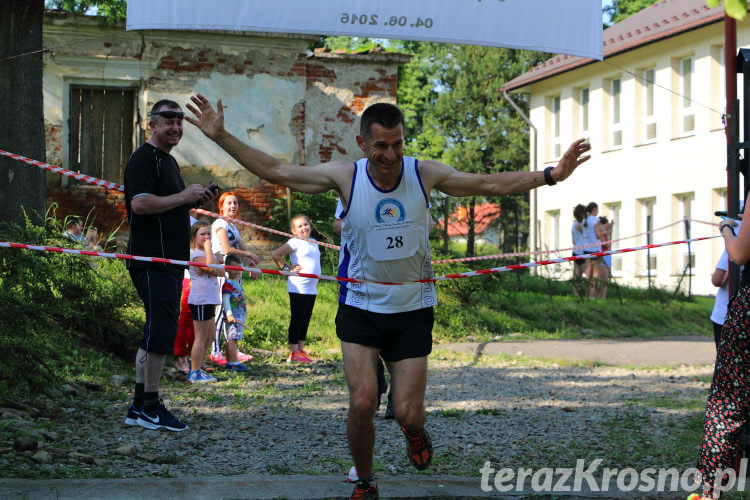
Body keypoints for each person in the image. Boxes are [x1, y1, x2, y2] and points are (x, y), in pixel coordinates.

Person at [186, 95, 590, 499]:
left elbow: (487, 183)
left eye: (397, 144)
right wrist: (221, 136)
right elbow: (277, 169)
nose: (390, 154)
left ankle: (413, 431)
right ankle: (364, 481)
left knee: (408, 413)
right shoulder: (346, 177)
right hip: (360, 307)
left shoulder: (423, 174)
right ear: (363, 145)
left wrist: (551, 174)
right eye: (381, 145)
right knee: (362, 402)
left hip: (411, 309)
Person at [123, 99, 217, 431]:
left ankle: (138, 407)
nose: (176, 127)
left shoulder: (168, 161)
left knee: (154, 330)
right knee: (161, 332)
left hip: (169, 262)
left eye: (180, 121)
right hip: (153, 261)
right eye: (169, 121)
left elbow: (168, 207)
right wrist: (183, 197)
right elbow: (142, 205)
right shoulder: (144, 159)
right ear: (152, 124)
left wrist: (194, 198)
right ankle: (150, 406)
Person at [694, 205, 750, 499]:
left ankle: (709, 490)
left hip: (740, 316)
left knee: (727, 405)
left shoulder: (739, 227)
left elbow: (737, 256)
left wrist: (727, 229)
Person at [210, 191, 260, 366]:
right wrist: (250, 254)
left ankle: (233, 350)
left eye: (235, 203)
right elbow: (226, 249)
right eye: (229, 203)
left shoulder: (234, 226)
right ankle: (215, 351)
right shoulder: (219, 223)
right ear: (221, 206)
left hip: (235, 274)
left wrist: (251, 263)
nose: (232, 206)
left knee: (235, 309)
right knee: (221, 311)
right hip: (222, 271)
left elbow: (242, 248)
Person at [271, 214, 321, 363]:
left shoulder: (314, 242)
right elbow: (276, 255)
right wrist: (288, 268)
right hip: (298, 286)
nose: (304, 228)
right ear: (294, 231)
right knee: (297, 318)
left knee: (305, 319)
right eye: (300, 226)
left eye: (306, 224)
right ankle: (293, 352)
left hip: (312, 288)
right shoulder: (294, 242)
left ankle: (301, 350)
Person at [187, 221, 224, 383]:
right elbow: (211, 267)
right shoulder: (194, 253)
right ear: (194, 236)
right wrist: (211, 254)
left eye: (209, 234)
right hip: (200, 299)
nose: (207, 237)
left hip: (210, 298)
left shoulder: (206, 253)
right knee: (201, 337)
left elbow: (221, 271)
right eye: (203, 234)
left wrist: (213, 263)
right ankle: (194, 372)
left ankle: (198, 364)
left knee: (211, 335)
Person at [709, 211, 743, 350]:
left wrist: (726, 229)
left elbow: (717, 279)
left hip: (727, 314)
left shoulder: (737, 240)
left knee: (728, 365)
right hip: (738, 314)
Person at [174, 215, 198, 375]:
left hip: (201, 281)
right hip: (186, 276)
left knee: (197, 321)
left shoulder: (195, 221)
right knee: (185, 318)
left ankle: (194, 357)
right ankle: (179, 356)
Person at [221, 254, 249, 371]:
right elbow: (225, 300)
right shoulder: (228, 284)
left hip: (240, 315)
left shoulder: (237, 283)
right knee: (233, 339)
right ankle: (234, 362)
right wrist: (229, 314)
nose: (236, 271)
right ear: (227, 268)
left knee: (233, 339)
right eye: (233, 268)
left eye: (238, 268)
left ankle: (229, 362)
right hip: (233, 316)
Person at [582, 202, 605, 299]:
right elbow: (598, 235)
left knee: (588, 272)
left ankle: (587, 293)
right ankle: (592, 294)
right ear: (594, 209)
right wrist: (604, 231)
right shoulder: (596, 220)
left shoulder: (584, 221)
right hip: (595, 249)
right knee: (595, 273)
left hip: (586, 248)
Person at [596, 215, 614, 299]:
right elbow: (607, 246)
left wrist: (610, 230)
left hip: (607, 257)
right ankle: (601, 297)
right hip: (603, 257)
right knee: (603, 280)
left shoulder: (604, 234)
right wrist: (607, 234)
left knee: (605, 280)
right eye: (606, 225)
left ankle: (602, 297)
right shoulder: (601, 235)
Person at [570, 204, 588, 284]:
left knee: (577, 277)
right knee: (589, 276)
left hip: (576, 252)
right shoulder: (577, 225)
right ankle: (589, 294)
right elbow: (587, 233)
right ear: (581, 214)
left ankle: (576, 295)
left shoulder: (575, 224)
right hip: (581, 253)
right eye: (584, 213)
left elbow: (573, 241)